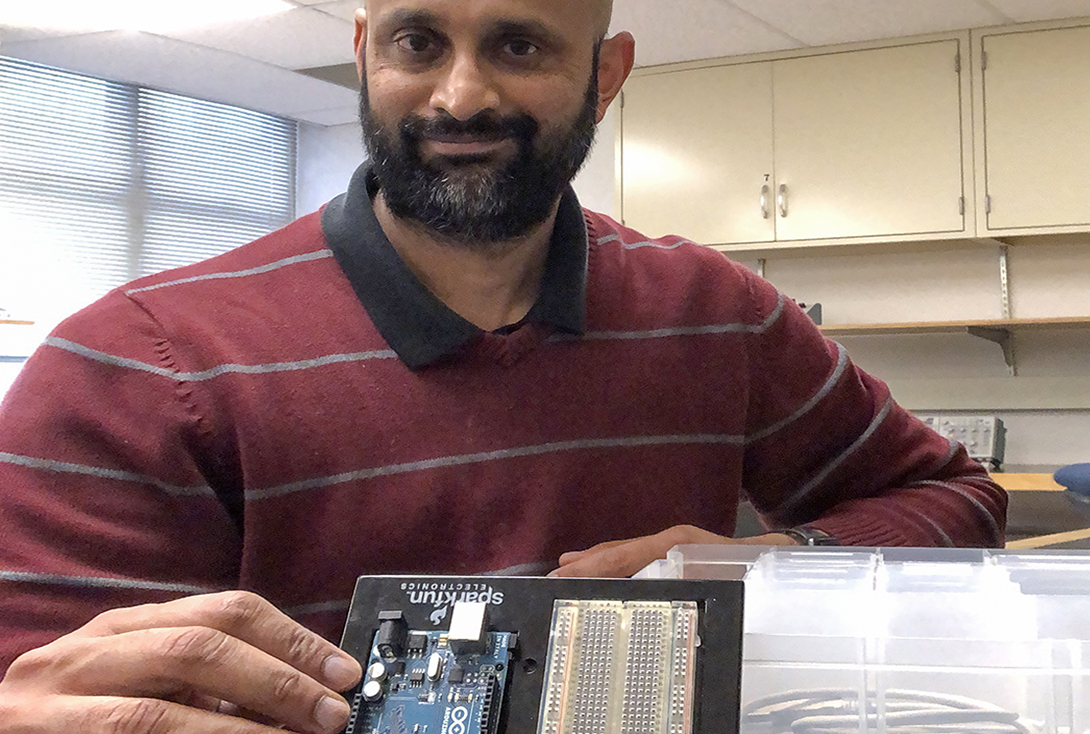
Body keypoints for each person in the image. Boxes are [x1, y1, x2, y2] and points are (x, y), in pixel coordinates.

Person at [0, 0, 1007, 731]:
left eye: (517, 44)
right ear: (363, 53)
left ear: (605, 75)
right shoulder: (130, 367)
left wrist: (779, 567)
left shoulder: (716, 313)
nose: (460, 94)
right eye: (417, 41)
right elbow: (47, 689)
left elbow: (951, 496)